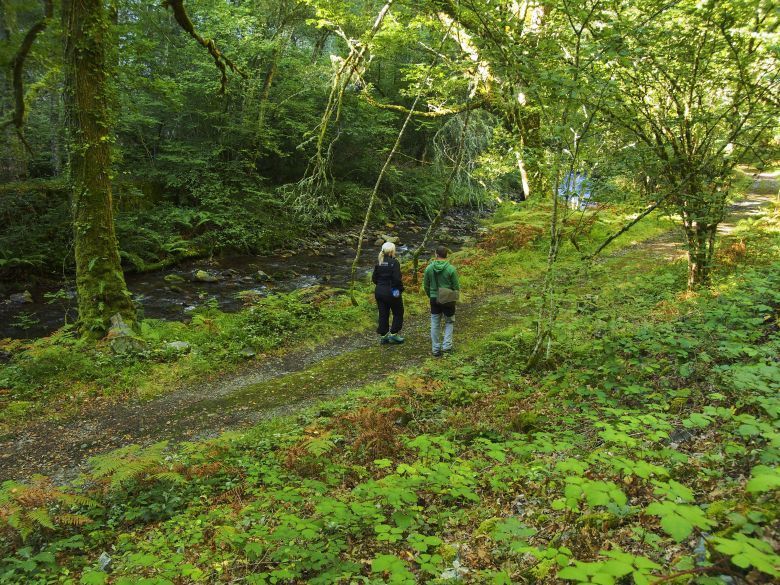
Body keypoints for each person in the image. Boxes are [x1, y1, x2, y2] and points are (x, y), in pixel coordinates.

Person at [423, 246, 460, 356]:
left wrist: (431, 295)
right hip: (448, 297)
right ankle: (447, 347)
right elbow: (456, 286)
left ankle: (435, 349)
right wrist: (453, 296)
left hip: (434, 298)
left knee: (435, 322)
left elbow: (426, 285)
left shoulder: (429, 268)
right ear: (447, 255)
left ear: (436, 254)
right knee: (449, 321)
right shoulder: (451, 269)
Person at [372, 241, 405, 344]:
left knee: (383, 313)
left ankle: (384, 336)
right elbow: (397, 279)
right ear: (392, 251)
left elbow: (374, 278)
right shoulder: (394, 263)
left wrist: (381, 285)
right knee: (398, 312)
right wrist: (399, 289)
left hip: (379, 292)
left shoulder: (379, 262)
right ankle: (394, 334)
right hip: (392, 292)